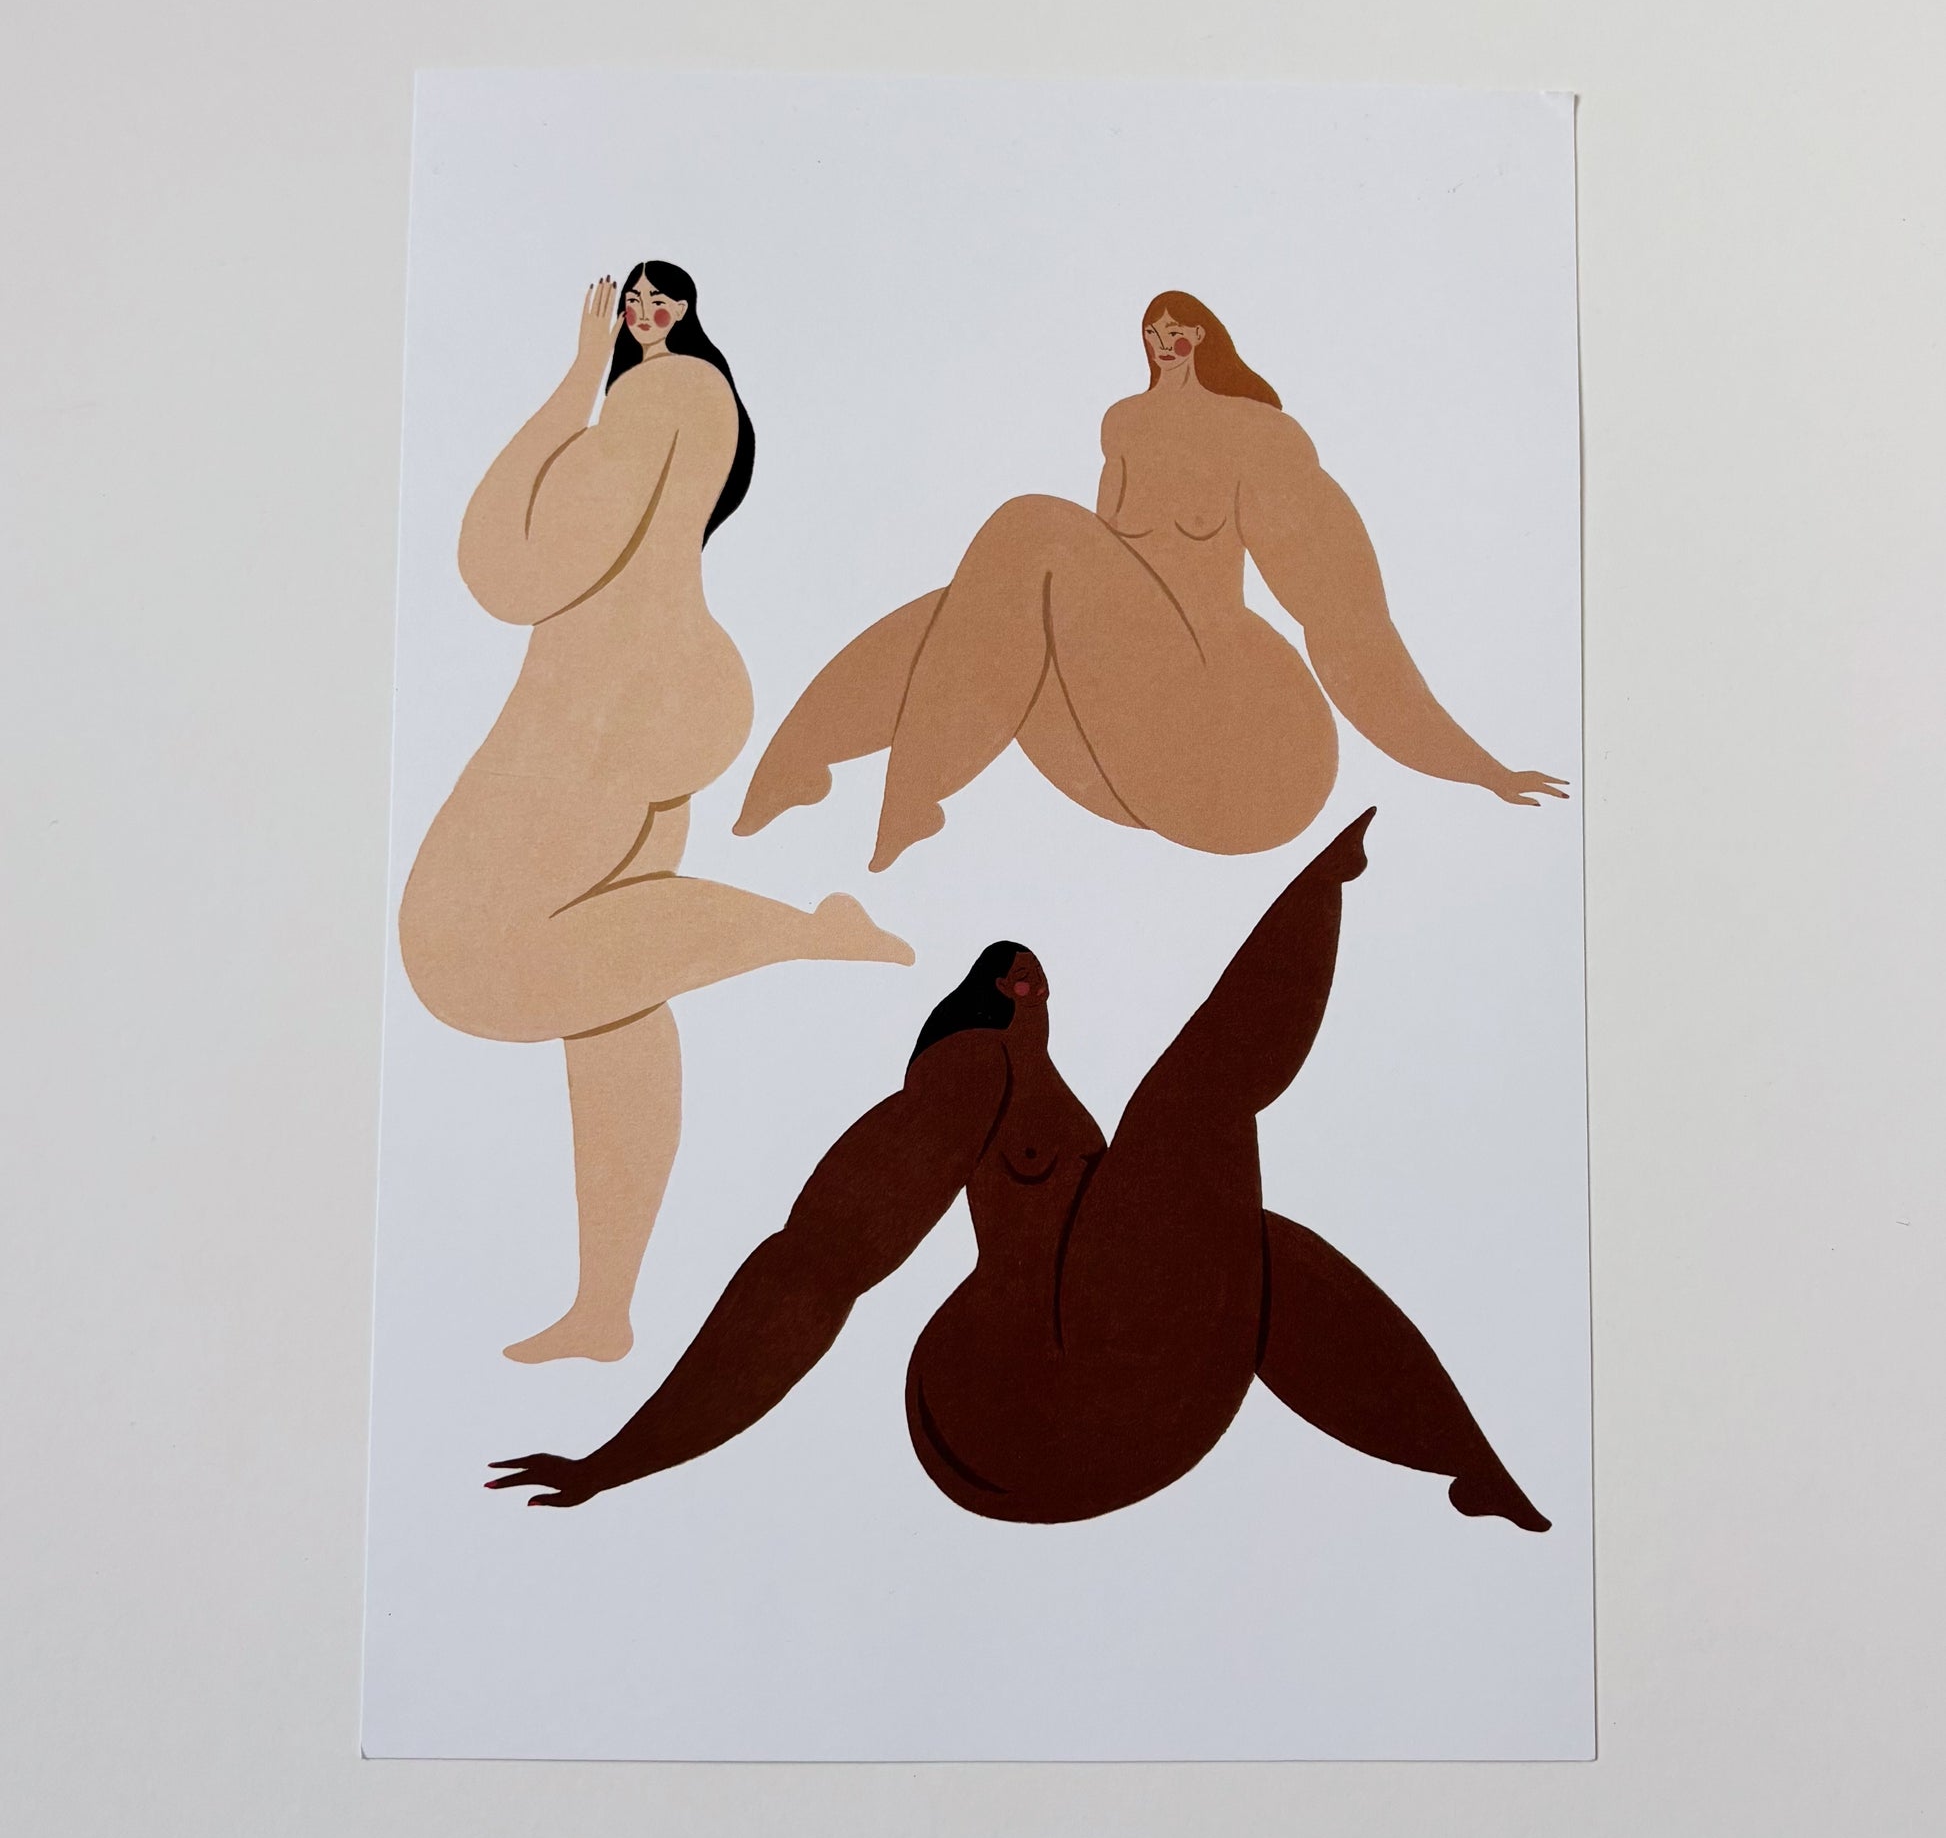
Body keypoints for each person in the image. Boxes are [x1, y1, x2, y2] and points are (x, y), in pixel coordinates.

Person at [488, 810, 1549, 1530]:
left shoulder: (1061, 1123)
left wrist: (1464, 1454)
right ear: (1007, 990)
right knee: (1185, 1114)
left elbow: (1300, 1297)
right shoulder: (974, 1069)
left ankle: (1467, 1460)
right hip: (1011, 1402)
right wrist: (619, 1460)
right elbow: (815, 1266)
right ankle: (1319, 888)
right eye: (1029, 979)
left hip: (1127, 1404)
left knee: (1247, 1244)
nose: (1046, 991)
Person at [400, 262, 911, 1366]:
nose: (641, 312)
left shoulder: (657, 393)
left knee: (455, 953)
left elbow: (509, 569)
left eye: (657, 297)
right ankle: (606, 1307)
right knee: (609, 994)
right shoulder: (698, 401)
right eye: (629, 299)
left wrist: (577, 377)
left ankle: (803, 931)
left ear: (682, 313)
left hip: (601, 703)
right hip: (645, 689)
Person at [735, 290, 1567, 871]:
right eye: (1153, 330)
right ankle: (799, 767)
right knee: (981, 598)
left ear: (1205, 338)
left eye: (1179, 329)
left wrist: (1476, 767)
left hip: (1243, 745)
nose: (1164, 341)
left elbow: (1351, 629)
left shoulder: (1262, 440)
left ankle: (910, 794)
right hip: (1121, 742)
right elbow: (1044, 593)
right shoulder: (1125, 427)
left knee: (1027, 527)